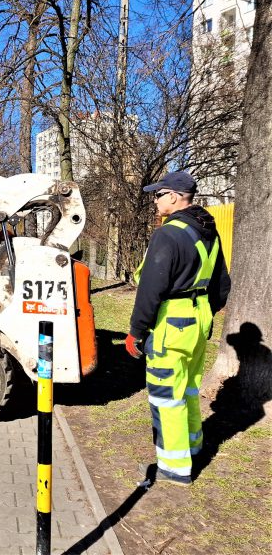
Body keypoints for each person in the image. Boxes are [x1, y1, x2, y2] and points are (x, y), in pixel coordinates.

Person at [127, 172, 231, 486]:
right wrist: (202, 311)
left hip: (170, 324)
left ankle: (175, 466)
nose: (155, 201)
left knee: (166, 396)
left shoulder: (168, 234)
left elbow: (151, 289)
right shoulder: (208, 232)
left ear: (173, 196)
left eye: (158, 195)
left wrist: (136, 332)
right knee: (187, 389)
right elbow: (222, 287)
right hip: (198, 321)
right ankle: (193, 445)